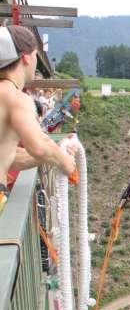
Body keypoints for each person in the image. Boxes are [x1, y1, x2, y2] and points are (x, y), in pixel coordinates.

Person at [0, 25, 76, 213]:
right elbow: (38, 146)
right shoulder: (17, 98)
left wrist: (55, 152)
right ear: (26, 57)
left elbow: (8, 156)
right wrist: (64, 161)